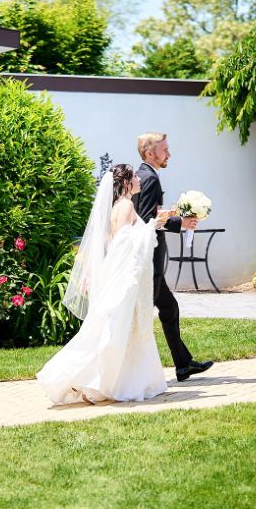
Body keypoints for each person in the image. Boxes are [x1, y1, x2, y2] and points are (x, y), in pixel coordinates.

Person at [37, 164, 168, 405]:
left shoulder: (115, 207)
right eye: (135, 176)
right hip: (125, 275)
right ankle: (101, 381)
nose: (139, 179)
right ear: (127, 183)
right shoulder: (127, 205)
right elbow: (125, 241)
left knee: (111, 326)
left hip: (116, 272)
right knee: (121, 327)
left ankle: (97, 380)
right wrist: (153, 225)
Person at [134, 132, 213, 382]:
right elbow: (147, 219)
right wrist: (181, 222)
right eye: (164, 149)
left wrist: (173, 214)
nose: (169, 153)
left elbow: (146, 214)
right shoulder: (149, 179)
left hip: (149, 258)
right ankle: (139, 371)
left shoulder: (143, 175)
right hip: (149, 258)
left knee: (169, 308)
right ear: (150, 153)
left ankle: (183, 364)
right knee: (145, 315)